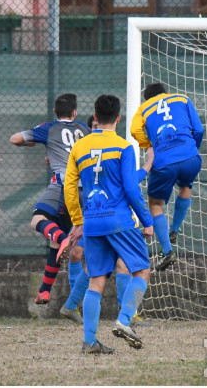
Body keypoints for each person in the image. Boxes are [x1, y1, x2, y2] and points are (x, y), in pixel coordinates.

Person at [64, 94, 154, 354]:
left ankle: (90, 341)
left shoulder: (79, 148)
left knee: (96, 280)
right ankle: (124, 320)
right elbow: (130, 188)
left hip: (92, 222)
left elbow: (70, 187)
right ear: (118, 118)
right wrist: (146, 220)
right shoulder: (124, 146)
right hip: (119, 221)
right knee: (142, 271)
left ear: (94, 118)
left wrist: (78, 221)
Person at [9, 93, 89, 305]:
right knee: (57, 245)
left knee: (37, 220)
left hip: (64, 186)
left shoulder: (49, 128)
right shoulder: (84, 129)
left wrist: (34, 142)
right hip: (87, 189)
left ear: (55, 112)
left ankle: (63, 238)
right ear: (74, 112)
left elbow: (15, 139)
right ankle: (44, 291)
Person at [130, 82, 204, 271]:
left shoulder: (143, 108)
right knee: (186, 186)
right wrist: (191, 148)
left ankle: (167, 250)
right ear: (166, 93)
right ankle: (175, 230)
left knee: (155, 204)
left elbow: (134, 130)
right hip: (191, 157)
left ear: (148, 98)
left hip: (163, 162)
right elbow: (199, 130)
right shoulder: (182, 98)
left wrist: (148, 144)